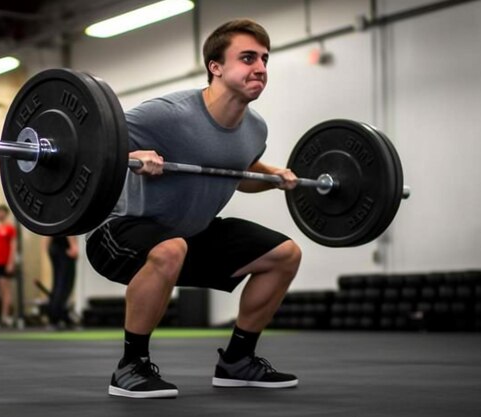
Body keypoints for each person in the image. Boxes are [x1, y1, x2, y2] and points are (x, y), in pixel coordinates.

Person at [86, 19, 302, 399]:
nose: (261, 68)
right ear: (215, 67)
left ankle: (237, 361)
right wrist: (132, 154)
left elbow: (240, 174)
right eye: (248, 57)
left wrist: (271, 176)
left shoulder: (255, 129)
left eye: (265, 59)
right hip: (119, 229)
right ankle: (130, 366)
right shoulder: (167, 114)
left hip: (190, 233)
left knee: (284, 255)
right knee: (171, 248)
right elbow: (90, 146)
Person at [44, 236, 79, 328]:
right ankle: (56, 315)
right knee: (65, 282)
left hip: (55, 247)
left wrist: (47, 246)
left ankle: (58, 315)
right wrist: (73, 245)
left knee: (58, 282)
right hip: (64, 247)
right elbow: (68, 226)